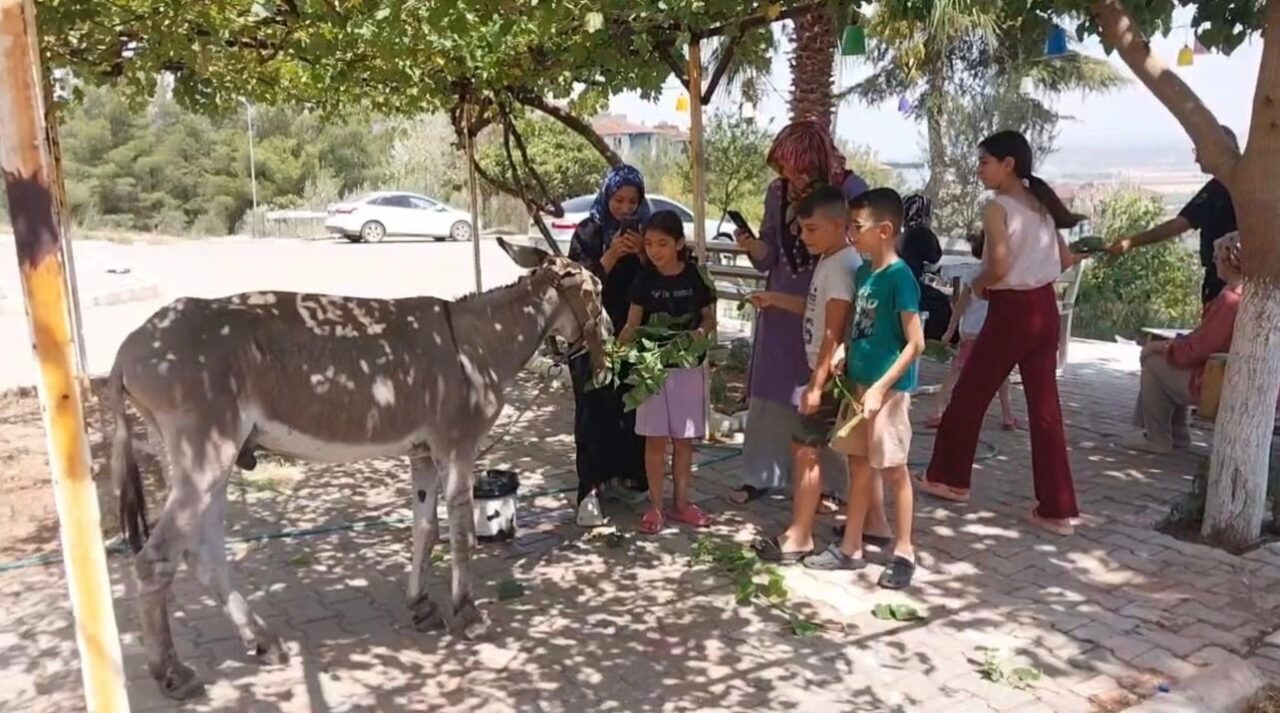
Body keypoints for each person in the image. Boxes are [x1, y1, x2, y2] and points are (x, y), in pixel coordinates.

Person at [916, 130, 1082, 537]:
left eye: (984, 162)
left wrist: (978, 284)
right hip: (1046, 308)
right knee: (1045, 411)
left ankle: (948, 479)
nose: (979, 170)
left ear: (1008, 164)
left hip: (1011, 312)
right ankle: (1058, 508)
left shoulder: (998, 208)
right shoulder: (1041, 205)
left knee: (969, 395)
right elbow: (1064, 259)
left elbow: (1000, 267)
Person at [730, 121, 873, 512]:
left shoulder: (851, 190)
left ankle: (830, 484)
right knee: (771, 391)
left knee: (824, 393)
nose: (791, 178)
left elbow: (867, 247)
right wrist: (750, 245)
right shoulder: (777, 193)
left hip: (832, 298)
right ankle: (761, 475)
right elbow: (768, 257)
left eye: (799, 169)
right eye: (784, 169)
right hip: (780, 304)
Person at [805, 188, 924, 590]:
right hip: (858, 386)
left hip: (885, 394)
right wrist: (843, 349)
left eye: (858, 227)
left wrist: (881, 389)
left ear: (885, 230)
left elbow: (916, 343)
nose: (852, 234)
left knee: (893, 470)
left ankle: (904, 549)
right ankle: (851, 546)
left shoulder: (900, 277)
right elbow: (860, 327)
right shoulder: (864, 274)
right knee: (858, 466)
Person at [748, 185, 866, 563]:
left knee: (805, 449)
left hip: (829, 375)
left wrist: (816, 384)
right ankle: (872, 526)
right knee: (854, 454)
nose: (802, 237)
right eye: (801, 229)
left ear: (838, 225)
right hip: (826, 372)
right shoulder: (830, 262)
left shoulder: (842, 266)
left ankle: (800, 535)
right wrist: (775, 299)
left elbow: (834, 329)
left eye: (811, 229)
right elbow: (815, 308)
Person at [620, 211, 718, 533]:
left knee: (684, 441)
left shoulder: (695, 277)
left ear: (679, 243)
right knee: (655, 441)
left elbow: (708, 318)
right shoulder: (643, 279)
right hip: (652, 368)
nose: (655, 250)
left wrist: (700, 335)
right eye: (649, 244)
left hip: (688, 369)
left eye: (663, 243)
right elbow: (632, 325)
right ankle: (656, 508)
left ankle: (681, 504)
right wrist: (617, 348)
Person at [567, 165, 650, 527]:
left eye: (633, 201)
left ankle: (625, 477)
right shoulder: (587, 232)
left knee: (629, 410)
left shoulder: (646, 232)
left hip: (632, 334)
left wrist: (644, 255)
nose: (626, 208)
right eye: (619, 200)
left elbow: (657, 278)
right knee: (592, 413)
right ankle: (588, 490)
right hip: (591, 336)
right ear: (607, 197)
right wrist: (611, 256)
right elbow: (575, 285)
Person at [1122, 233, 1244, 454]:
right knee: (1168, 359)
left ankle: (1157, 437)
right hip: (1227, 372)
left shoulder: (1232, 299)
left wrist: (1160, 347)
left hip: (1221, 380)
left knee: (1153, 362)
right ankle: (1177, 433)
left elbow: (1196, 349)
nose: (1214, 261)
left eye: (1216, 257)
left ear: (1228, 261)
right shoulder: (1247, 291)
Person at [1108, 126, 1239, 304]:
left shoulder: (1220, 189)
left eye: (1199, 150)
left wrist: (1132, 242)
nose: (1196, 159)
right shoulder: (1222, 186)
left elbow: (1178, 224)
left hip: (1227, 282)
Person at [927, 231, 1019, 431]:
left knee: (957, 371)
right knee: (1002, 376)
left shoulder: (973, 274)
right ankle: (1007, 416)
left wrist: (950, 330)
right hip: (995, 333)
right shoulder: (1005, 275)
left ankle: (938, 411)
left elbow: (960, 305)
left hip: (971, 331)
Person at [900, 194, 952, 341]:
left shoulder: (903, 233)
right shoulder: (922, 233)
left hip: (904, 280)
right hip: (913, 284)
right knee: (941, 303)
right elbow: (935, 256)